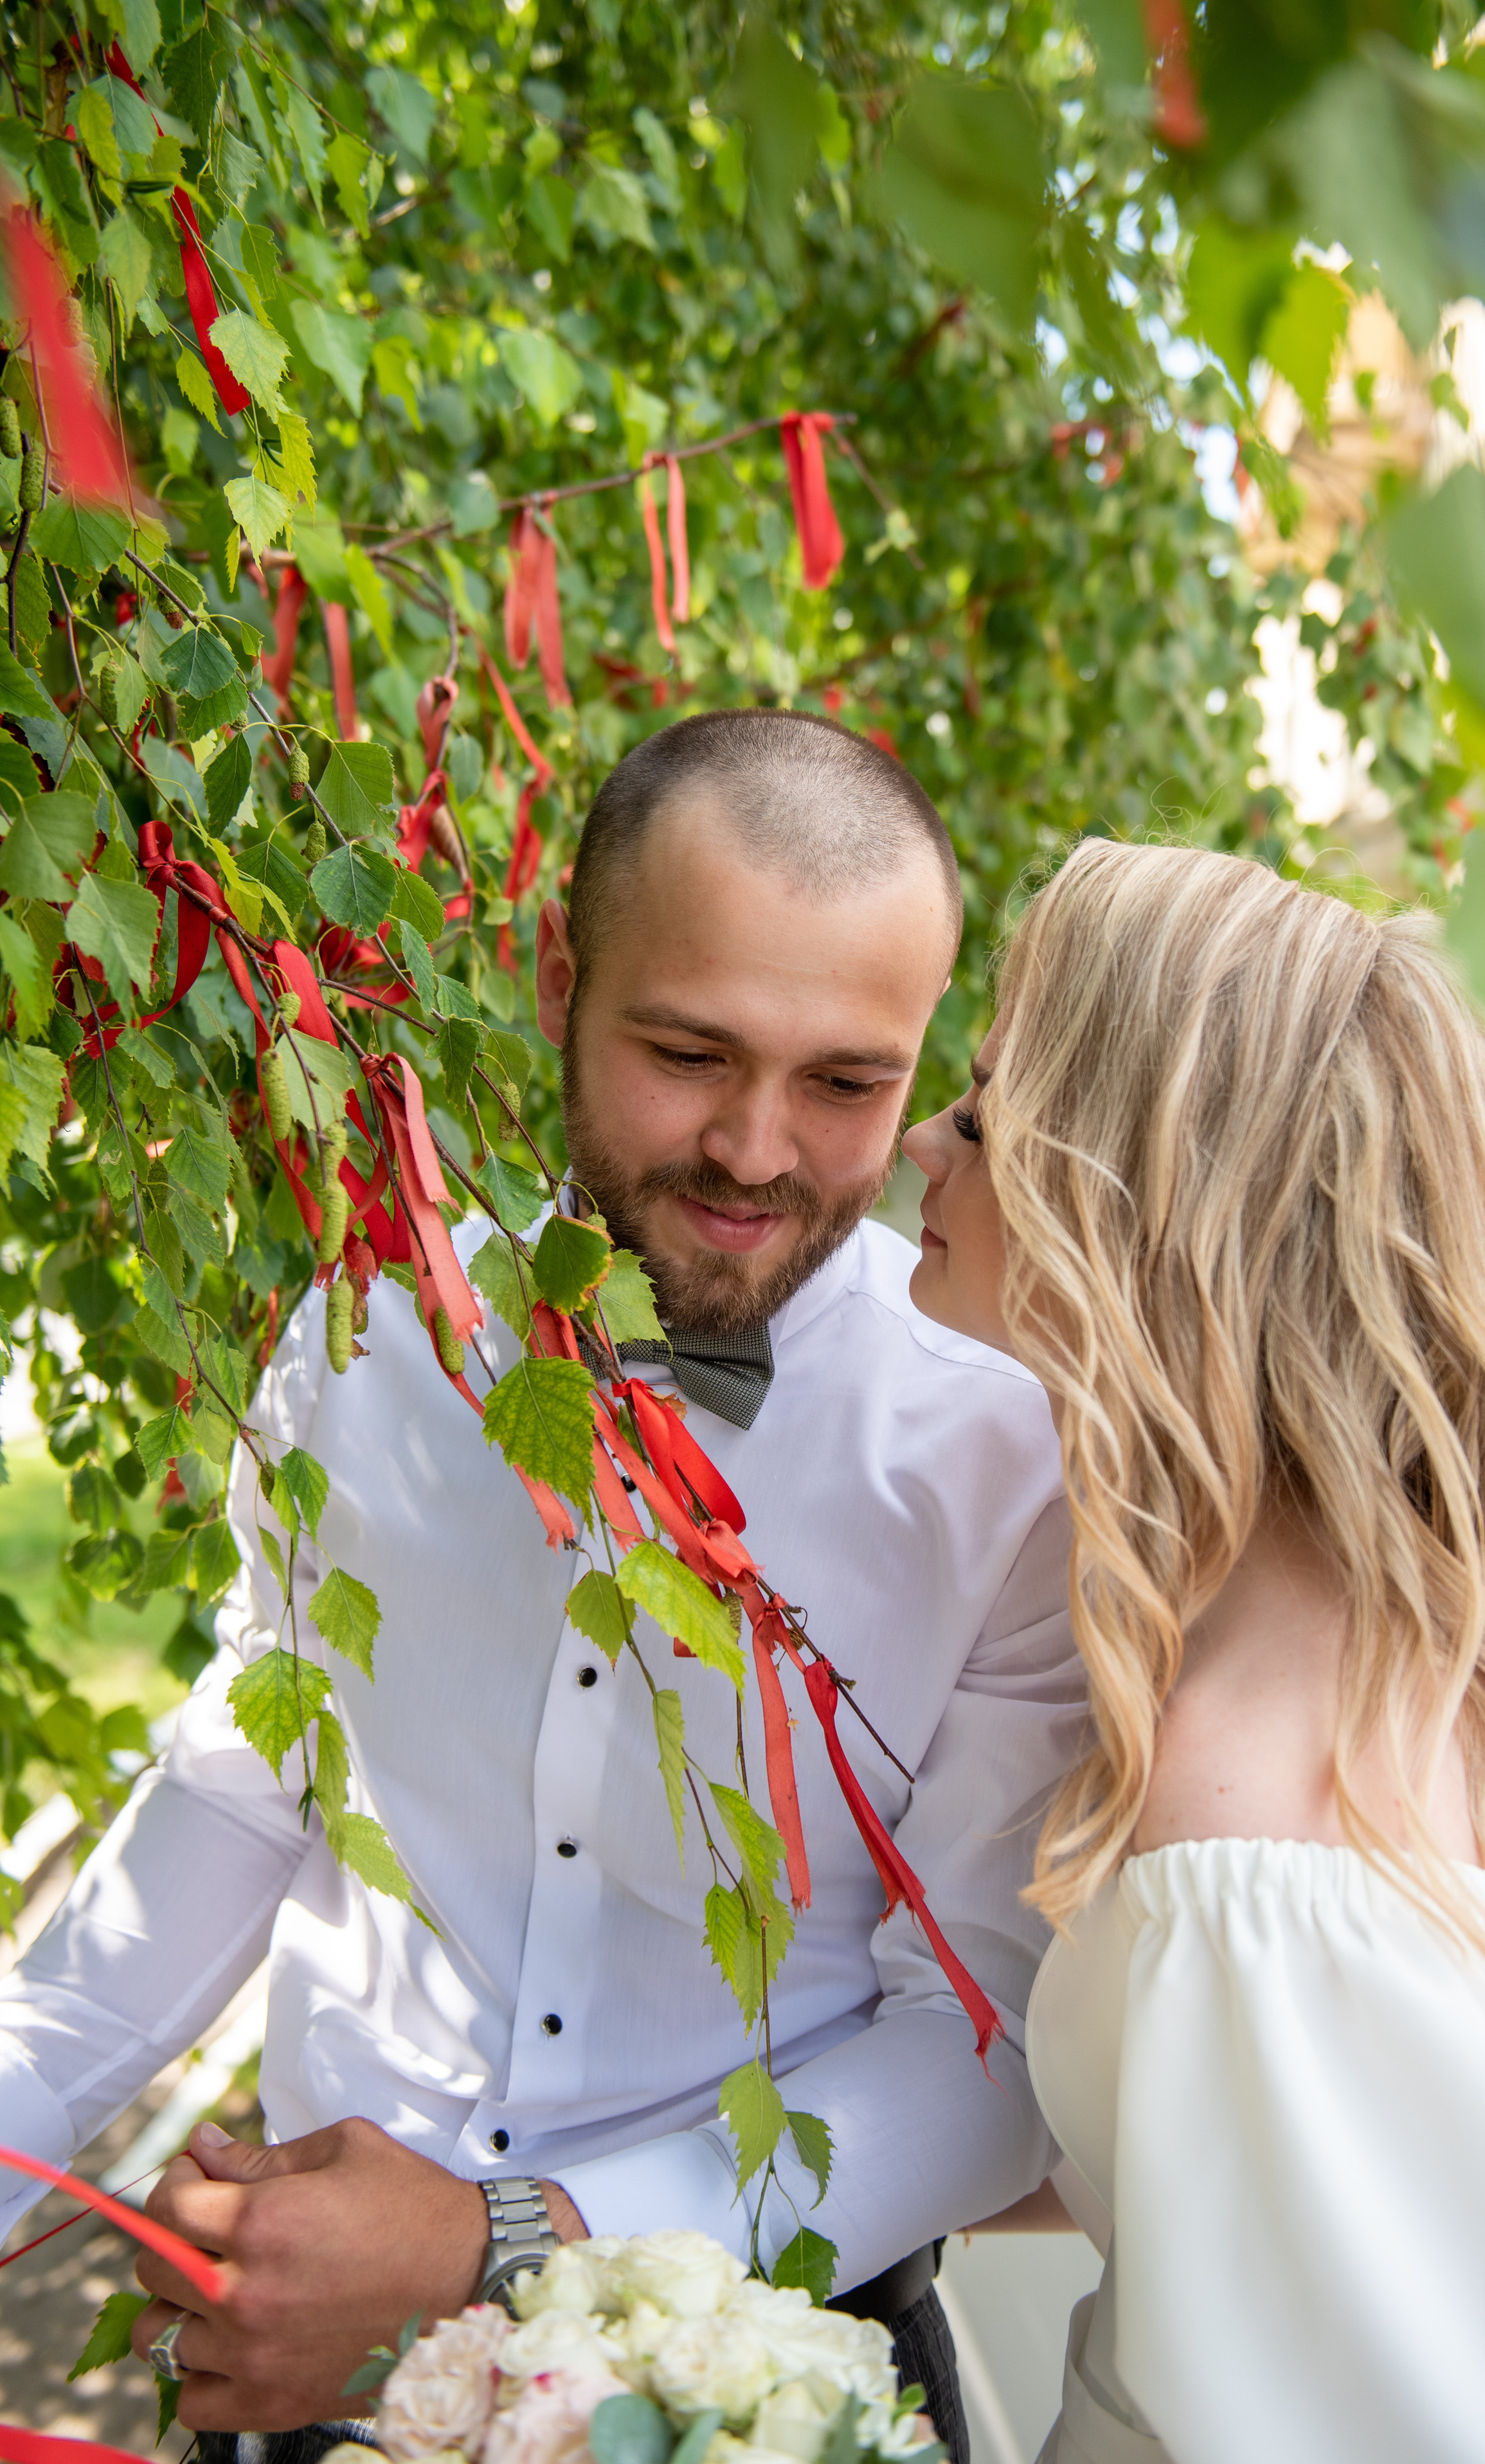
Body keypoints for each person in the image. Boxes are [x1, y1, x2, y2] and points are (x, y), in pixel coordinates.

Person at [0, 712, 1085, 2461]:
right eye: (686, 1049)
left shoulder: (1006, 1453)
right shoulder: (360, 1346)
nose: (753, 1150)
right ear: (554, 972)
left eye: (846, 1084)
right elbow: (241, 1794)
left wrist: (505, 2251)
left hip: (778, 2386)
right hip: (312, 2390)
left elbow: (985, 2050)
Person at [902, 837, 1485, 2464]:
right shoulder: (1404, 1663)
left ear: (1138, 1199)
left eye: (981, 1107)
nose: (917, 1148)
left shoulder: (1254, 1833)